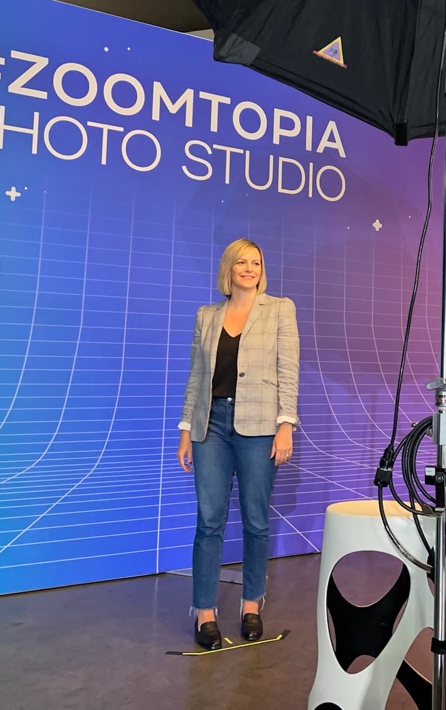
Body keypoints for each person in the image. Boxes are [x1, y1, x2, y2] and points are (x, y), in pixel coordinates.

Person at [178, 238, 299, 650]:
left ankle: (251, 604)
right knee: (209, 520)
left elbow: (288, 370)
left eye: (256, 262)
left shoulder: (280, 309)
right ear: (228, 269)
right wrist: (184, 430)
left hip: (261, 426)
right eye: (241, 262)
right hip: (210, 425)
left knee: (255, 520)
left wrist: (286, 425)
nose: (249, 268)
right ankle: (204, 611)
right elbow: (197, 376)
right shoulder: (206, 315)